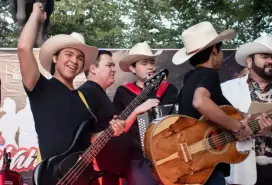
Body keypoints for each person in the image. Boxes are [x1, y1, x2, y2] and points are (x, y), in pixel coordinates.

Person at [17, 1, 125, 174]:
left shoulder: (84, 98)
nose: (74, 61)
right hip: (52, 177)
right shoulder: (40, 87)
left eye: (80, 58)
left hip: (83, 177)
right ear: (55, 58)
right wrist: (36, 14)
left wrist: (112, 131)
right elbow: (23, 48)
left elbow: (91, 139)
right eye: (68, 54)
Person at [171, 21, 268, 185]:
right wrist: (237, 128)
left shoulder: (189, 78)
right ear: (215, 49)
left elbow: (219, 110)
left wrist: (247, 118)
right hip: (207, 168)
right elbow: (200, 102)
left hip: (194, 164)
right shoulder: (209, 74)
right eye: (221, 50)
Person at [221, 35, 272, 185]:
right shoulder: (227, 89)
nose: (271, 61)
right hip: (242, 172)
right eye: (264, 56)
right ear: (249, 61)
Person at [79, 50, 162, 185]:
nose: (113, 69)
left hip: (112, 170)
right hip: (99, 171)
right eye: (109, 65)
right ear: (93, 68)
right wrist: (137, 111)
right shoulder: (88, 92)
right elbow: (88, 136)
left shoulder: (98, 92)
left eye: (113, 66)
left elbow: (114, 130)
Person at [113, 41, 178, 185]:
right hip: (137, 158)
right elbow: (117, 130)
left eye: (152, 62)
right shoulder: (123, 92)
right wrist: (137, 111)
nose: (150, 67)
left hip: (170, 155)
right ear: (133, 68)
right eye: (144, 63)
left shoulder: (169, 89)